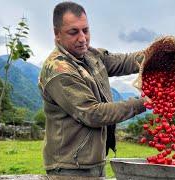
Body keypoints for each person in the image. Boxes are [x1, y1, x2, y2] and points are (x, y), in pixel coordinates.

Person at [38, 1, 147, 179]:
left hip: (93, 163)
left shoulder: (90, 55)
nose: (82, 38)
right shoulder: (59, 71)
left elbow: (125, 61)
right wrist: (144, 103)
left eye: (85, 30)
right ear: (57, 34)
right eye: (73, 32)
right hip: (70, 168)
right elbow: (93, 114)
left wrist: (154, 56)